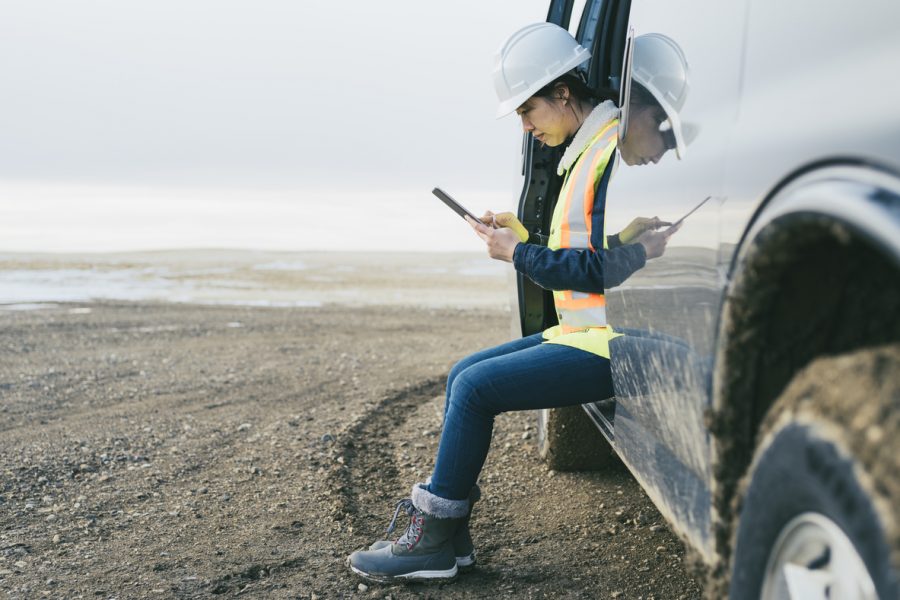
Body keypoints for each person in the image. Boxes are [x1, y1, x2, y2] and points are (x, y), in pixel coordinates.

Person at [347, 24, 692, 584]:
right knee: (464, 373)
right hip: (583, 330)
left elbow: (599, 271)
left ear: (563, 94)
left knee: (475, 389)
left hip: (611, 339)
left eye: (529, 111)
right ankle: (451, 543)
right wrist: (525, 233)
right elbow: (591, 250)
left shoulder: (607, 150)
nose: (527, 129)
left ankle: (433, 537)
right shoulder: (588, 150)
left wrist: (518, 254)